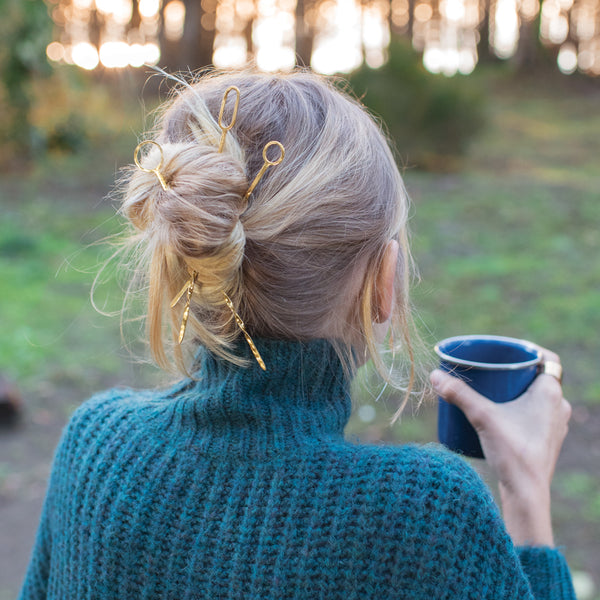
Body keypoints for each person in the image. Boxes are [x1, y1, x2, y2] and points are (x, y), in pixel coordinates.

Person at [19, 69, 575, 599]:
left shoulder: (94, 447)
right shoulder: (422, 516)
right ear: (382, 282)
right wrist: (527, 497)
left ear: (187, 259)